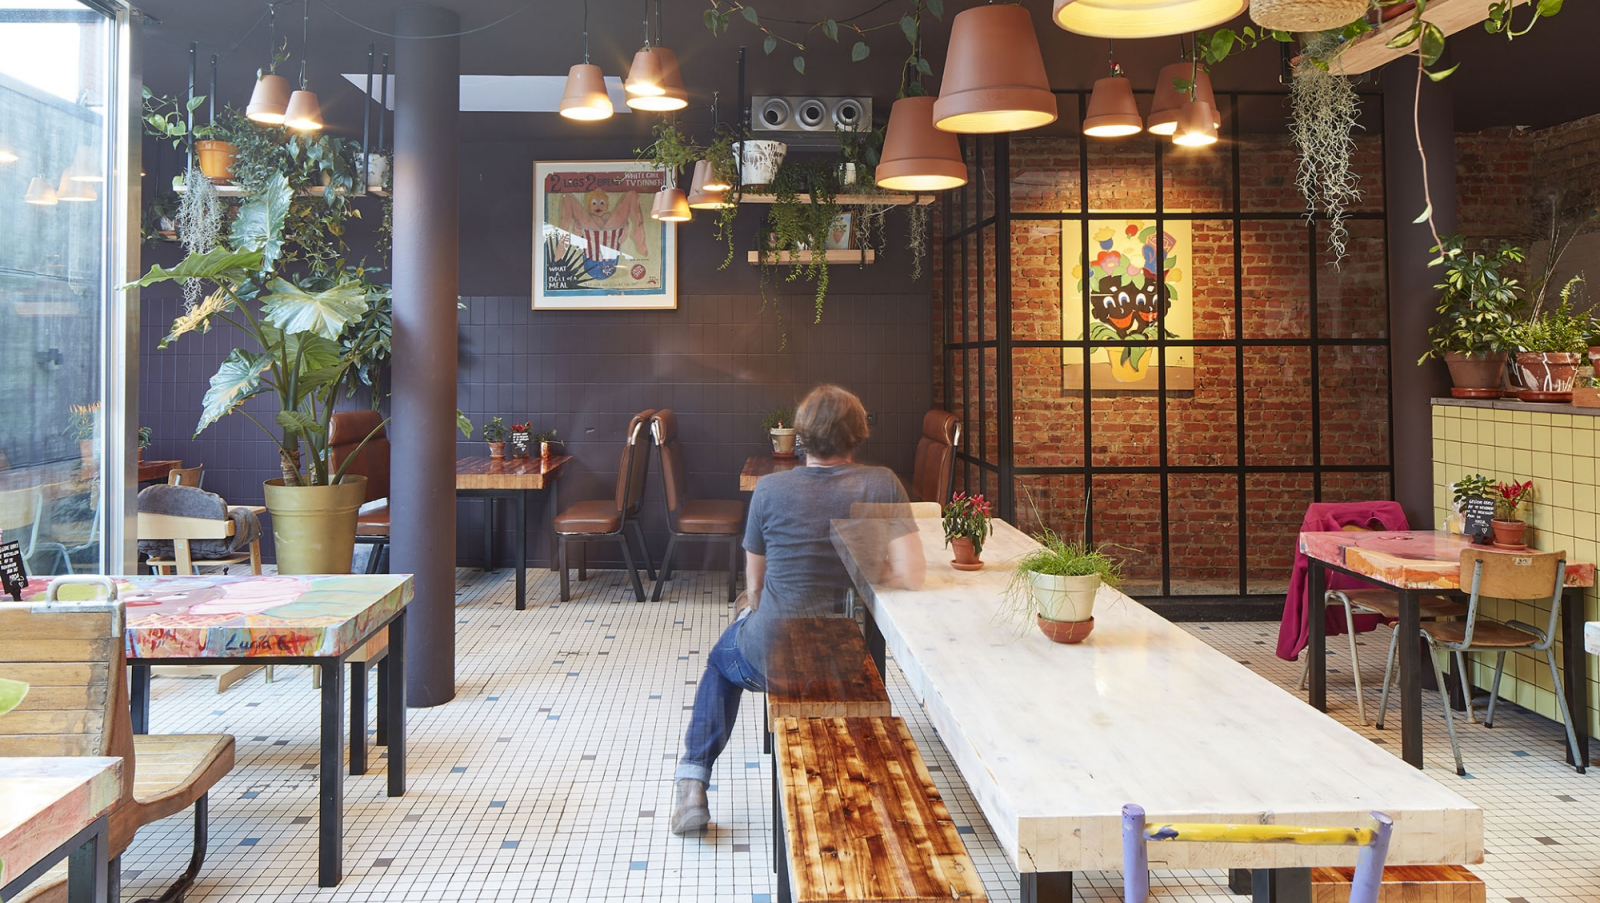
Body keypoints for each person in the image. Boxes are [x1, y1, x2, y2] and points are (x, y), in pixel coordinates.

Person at [670, 384, 926, 835]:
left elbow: (755, 587)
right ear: (858, 433)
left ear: (801, 436)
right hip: (847, 660)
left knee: (720, 663)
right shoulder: (882, 481)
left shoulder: (769, 488)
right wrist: (873, 565)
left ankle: (692, 785)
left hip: (774, 657)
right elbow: (913, 574)